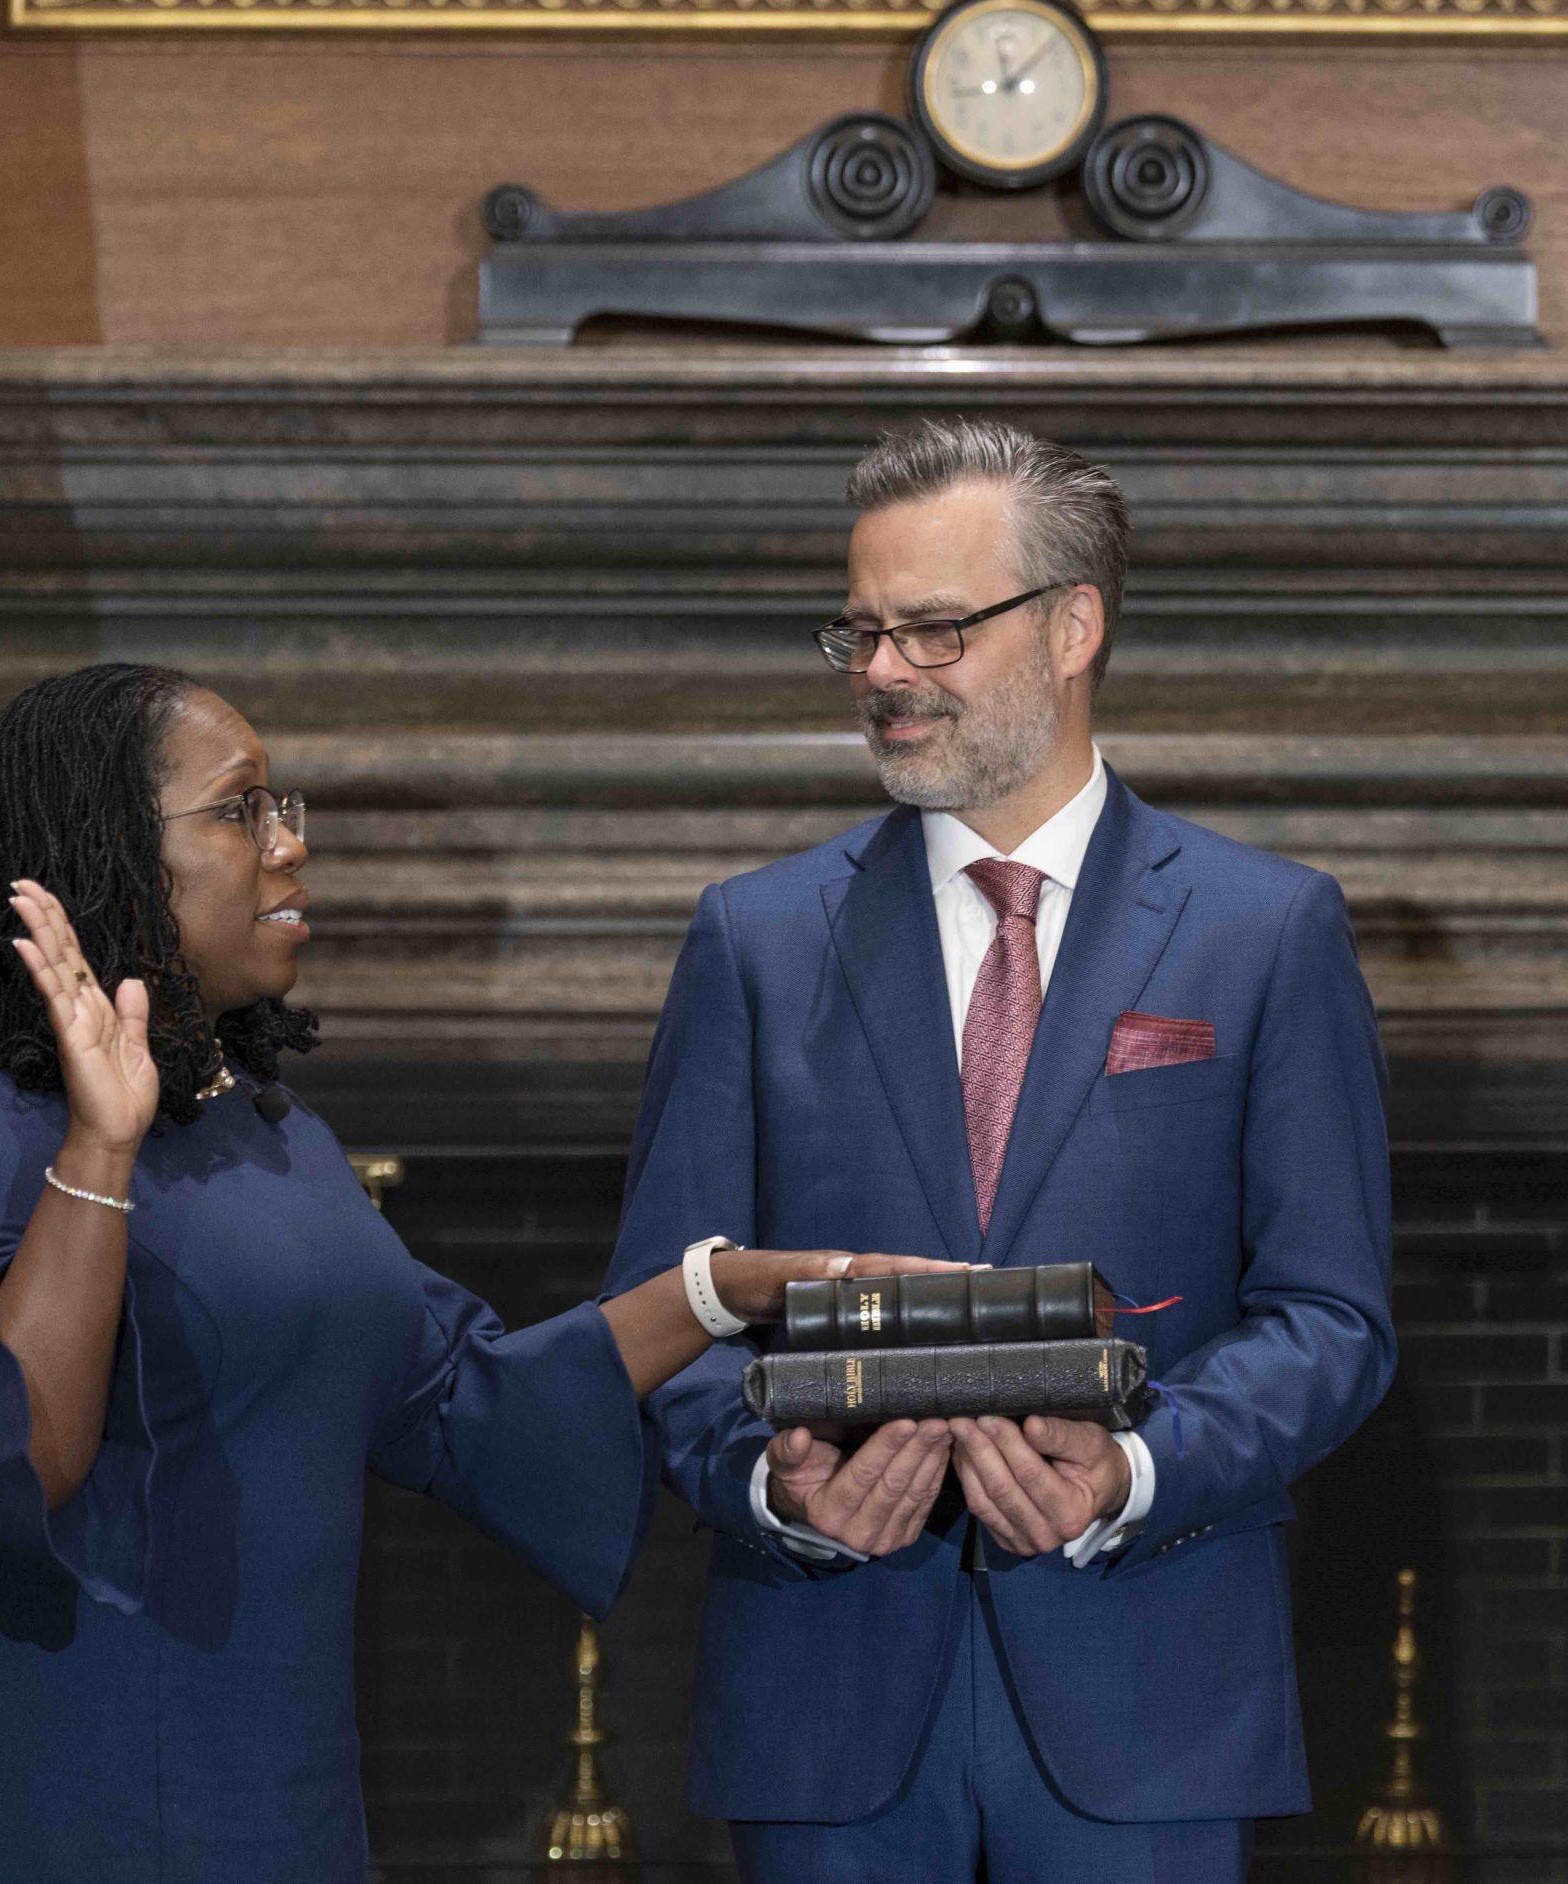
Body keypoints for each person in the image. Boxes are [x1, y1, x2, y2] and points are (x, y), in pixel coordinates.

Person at [0, 663, 952, 1884]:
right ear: (114, 856)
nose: (291, 845)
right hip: (55, 1767)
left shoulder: (276, 1136)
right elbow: (16, 1466)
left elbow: (460, 1397)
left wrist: (720, 1292)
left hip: (269, 1768)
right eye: (242, 808)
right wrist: (103, 1142)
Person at [606, 418, 1395, 1882]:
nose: (885, 673)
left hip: (1150, 1694)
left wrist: (1135, 1475)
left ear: (1075, 624)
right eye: (862, 633)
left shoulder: (1265, 931)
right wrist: (785, 1492)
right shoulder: (755, 941)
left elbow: (1333, 1321)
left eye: (936, 630)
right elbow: (673, 1318)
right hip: (827, 1695)